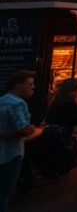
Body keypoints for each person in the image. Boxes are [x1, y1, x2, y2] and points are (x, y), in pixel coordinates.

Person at [0, 70, 36, 212]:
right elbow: (24, 129)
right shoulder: (18, 104)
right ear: (17, 85)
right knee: (4, 195)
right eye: (29, 84)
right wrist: (32, 129)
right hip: (11, 154)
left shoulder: (2, 100)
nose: (33, 87)